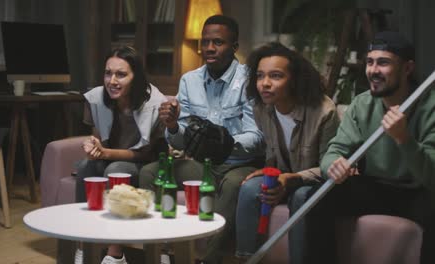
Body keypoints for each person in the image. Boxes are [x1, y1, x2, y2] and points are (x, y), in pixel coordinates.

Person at [289, 31, 435, 264]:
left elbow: (431, 175)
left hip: (418, 192)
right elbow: (334, 150)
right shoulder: (362, 103)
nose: (373, 70)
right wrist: (332, 165)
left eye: (383, 62)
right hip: (375, 187)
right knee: (312, 197)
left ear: (407, 69)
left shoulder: (431, 105)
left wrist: (404, 139)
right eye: (370, 62)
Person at [138, 15, 264, 263]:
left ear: (234, 47)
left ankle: (209, 260)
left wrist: (224, 142)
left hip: (239, 164)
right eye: (205, 42)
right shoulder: (189, 80)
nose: (209, 48)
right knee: (150, 173)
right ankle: (159, 252)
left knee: (231, 185)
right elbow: (178, 142)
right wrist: (173, 125)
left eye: (218, 42)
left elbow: (257, 137)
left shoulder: (251, 80)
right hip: (202, 164)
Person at [234, 42, 339, 260]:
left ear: (294, 80)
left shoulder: (324, 111)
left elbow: (329, 167)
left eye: (275, 76)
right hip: (281, 178)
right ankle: (245, 258)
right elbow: (273, 156)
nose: (265, 84)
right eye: (260, 76)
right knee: (249, 188)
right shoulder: (261, 108)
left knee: (301, 196)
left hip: (313, 183)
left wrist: (292, 179)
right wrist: (268, 172)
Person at [75, 46, 167, 264]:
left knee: (116, 171)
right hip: (109, 158)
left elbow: (145, 153)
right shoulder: (96, 98)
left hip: (142, 163)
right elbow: (97, 136)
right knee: (85, 168)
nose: (112, 81)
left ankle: (116, 254)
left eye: (121, 74)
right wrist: (93, 147)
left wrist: (105, 153)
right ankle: (83, 245)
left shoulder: (156, 103)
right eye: (108, 73)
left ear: (136, 77)